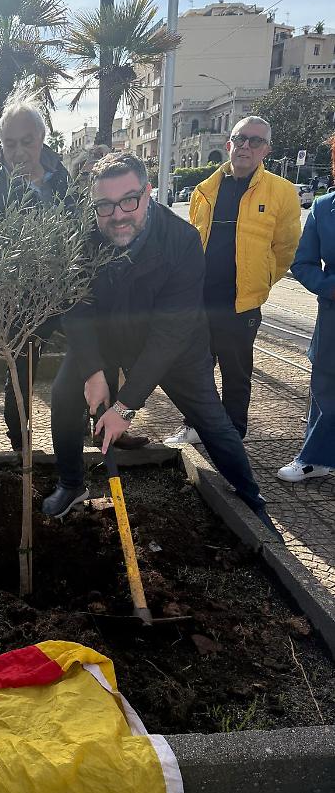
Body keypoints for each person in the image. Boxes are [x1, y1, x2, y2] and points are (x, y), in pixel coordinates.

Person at [43, 152, 276, 535]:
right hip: (106, 336)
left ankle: (252, 499)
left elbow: (169, 335)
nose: (117, 214)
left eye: (129, 200)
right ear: (93, 204)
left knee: (213, 423)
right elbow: (76, 309)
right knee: (64, 394)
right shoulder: (81, 238)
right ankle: (71, 484)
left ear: (148, 193)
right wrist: (93, 371)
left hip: (176, 348)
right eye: (104, 205)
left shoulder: (181, 242)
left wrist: (123, 405)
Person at [164, 116, 301, 446]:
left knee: (237, 374)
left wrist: (263, 280)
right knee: (196, 368)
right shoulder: (205, 189)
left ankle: (233, 432)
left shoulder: (282, 192)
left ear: (266, 149)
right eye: (240, 139)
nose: (245, 146)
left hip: (242, 302)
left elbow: (285, 249)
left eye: (255, 141)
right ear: (229, 144)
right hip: (201, 299)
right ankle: (194, 425)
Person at [0, 102, 71, 452]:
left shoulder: (61, 179)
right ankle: (20, 445)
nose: (18, 151)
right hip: (25, 304)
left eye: (26, 141)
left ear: (42, 139)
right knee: (20, 374)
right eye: (10, 143)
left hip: (69, 294)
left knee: (95, 358)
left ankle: (106, 429)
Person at [277, 133, 335, 483]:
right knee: (325, 390)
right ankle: (315, 458)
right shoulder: (324, 208)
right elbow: (303, 264)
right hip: (333, 319)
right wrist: (331, 288)